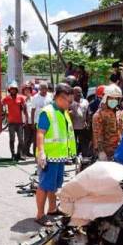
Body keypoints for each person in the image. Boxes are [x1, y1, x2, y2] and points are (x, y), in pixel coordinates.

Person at [35, 83, 76, 226]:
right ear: (60, 98)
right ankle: (40, 214)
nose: (70, 104)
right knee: (44, 186)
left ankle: (52, 209)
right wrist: (41, 153)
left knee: (53, 185)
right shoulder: (47, 112)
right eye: (69, 101)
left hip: (59, 156)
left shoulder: (62, 111)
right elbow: (40, 133)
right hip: (49, 156)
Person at [92, 84, 123, 161]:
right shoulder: (99, 115)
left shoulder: (118, 113)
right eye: (111, 98)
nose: (114, 100)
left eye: (116, 98)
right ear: (106, 98)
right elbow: (97, 136)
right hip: (105, 153)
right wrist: (101, 152)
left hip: (118, 151)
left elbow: (122, 130)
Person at [3, 82, 27, 160]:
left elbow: (25, 109)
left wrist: (26, 119)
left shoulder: (21, 98)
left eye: (14, 90)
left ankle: (19, 154)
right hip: (11, 123)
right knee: (12, 139)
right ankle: (13, 154)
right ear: (9, 90)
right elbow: (1, 104)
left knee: (21, 140)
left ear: (17, 90)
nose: (13, 91)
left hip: (19, 122)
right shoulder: (6, 98)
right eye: (11, 90)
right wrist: (4, 112)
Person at [69, 86, 90, 157]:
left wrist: (88, 122)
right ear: (73, 93)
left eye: (80, 92)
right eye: (76, 92)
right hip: (73, 127)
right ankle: (73, 157)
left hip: (82, 126)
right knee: (73, 143)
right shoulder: (69, 102)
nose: (79, 94)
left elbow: (88, 113)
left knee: (83, 143)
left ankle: (84, 157)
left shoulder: (85, 102)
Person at [21, 82, 35, 157]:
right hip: (25, 122)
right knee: (26, 138)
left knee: (32, 138)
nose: (27, 91)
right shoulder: (22, 99)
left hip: (32, 121)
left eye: (28, 90)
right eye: (25, 90)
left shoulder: (33, 99)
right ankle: (23, 153)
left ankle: (27, 151)